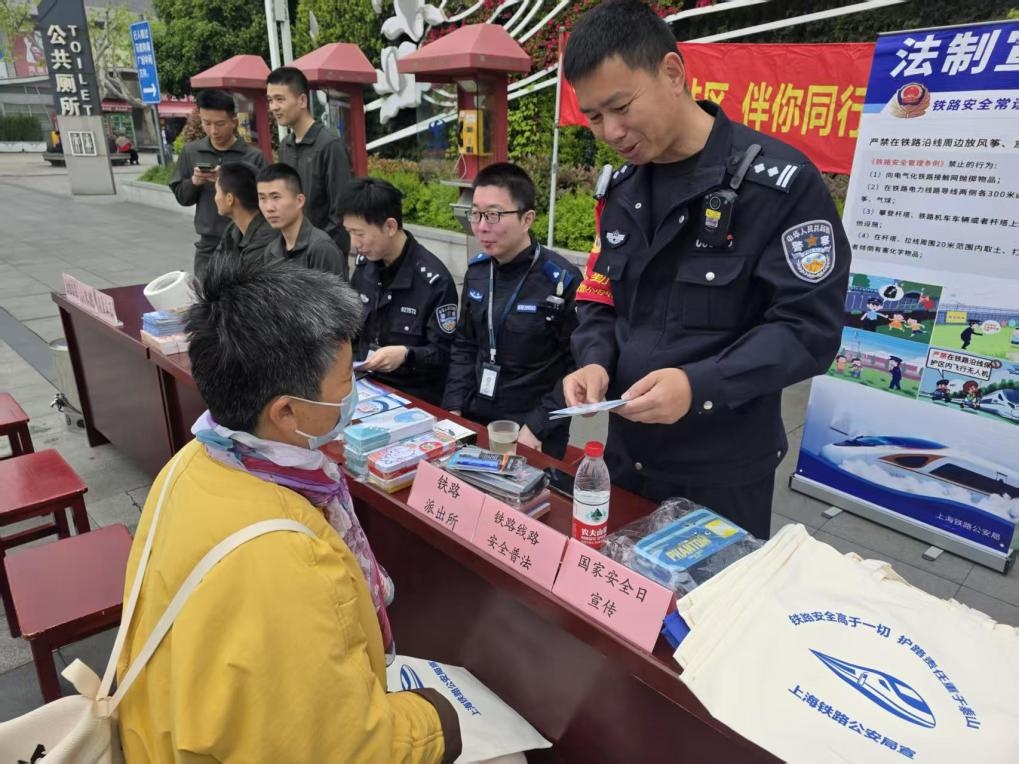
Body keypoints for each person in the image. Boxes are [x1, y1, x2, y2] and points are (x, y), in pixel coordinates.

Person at [116, 257, 462, 762]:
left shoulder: (190, 462)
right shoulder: (288, 557)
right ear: (286, 412)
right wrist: (439, 721)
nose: (353, 394)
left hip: (164, 725)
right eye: (346, 381)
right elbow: (343, 747)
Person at [561, 0, 849, 539]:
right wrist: (594, 360)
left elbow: (808, 328)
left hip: (721, 474)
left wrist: (700, 385)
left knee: (711, 595)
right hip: (625, 456)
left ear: (673, 73)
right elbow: (601, 295)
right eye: (594, 117)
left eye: (621, 107)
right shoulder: (622, 191)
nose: (611, 131)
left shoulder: (778, 186)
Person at [442, 163, 580, 458]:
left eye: (494, 215)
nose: (481, 226)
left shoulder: (560, 282)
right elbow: (465, 345)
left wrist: (538, 426)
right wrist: (453, 408)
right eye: (476, 214)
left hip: (534, 429)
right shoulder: (478, 272)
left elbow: (577, 365)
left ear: (527, 219)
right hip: (477, 416)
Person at [343, 178, 458, 405]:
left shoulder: (434, 280)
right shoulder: (365, 267)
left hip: (415, 396)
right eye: (349, 232)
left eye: (360, 233)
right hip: (367, 385)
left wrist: (406, 354)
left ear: (390, 227)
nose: (355, 243)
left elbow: (445, 353)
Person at [170, 88, 268, 282]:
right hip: (209, 247)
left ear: (234, 122)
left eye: (220, 124)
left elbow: (266, 200)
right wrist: (194, 182)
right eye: (206, 123)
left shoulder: (253, 156)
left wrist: (228, 183)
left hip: (247, 244)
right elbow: (183, 197)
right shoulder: (191, 152)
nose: (213, 131)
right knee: (207, 297)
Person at [267, 66, 352, 276]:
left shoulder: (329, 145)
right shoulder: (285, 146)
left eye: (280, 99)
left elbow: (340, 212)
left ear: (302, 100)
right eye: (270, 100)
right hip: (290, 258)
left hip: (323, 260)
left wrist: (324, 251)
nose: (274, 107)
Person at [258, 162, 346, 275]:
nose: (269, 208)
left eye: (276, 197)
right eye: (262, 198)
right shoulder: (271, 251)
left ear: (299, 201)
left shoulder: (322, 248)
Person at [209, 162, 277, 267]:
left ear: (229, 199)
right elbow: (215, 266)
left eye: (217, 191)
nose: (215, 198)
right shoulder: (233, 229)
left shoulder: (266, 241)